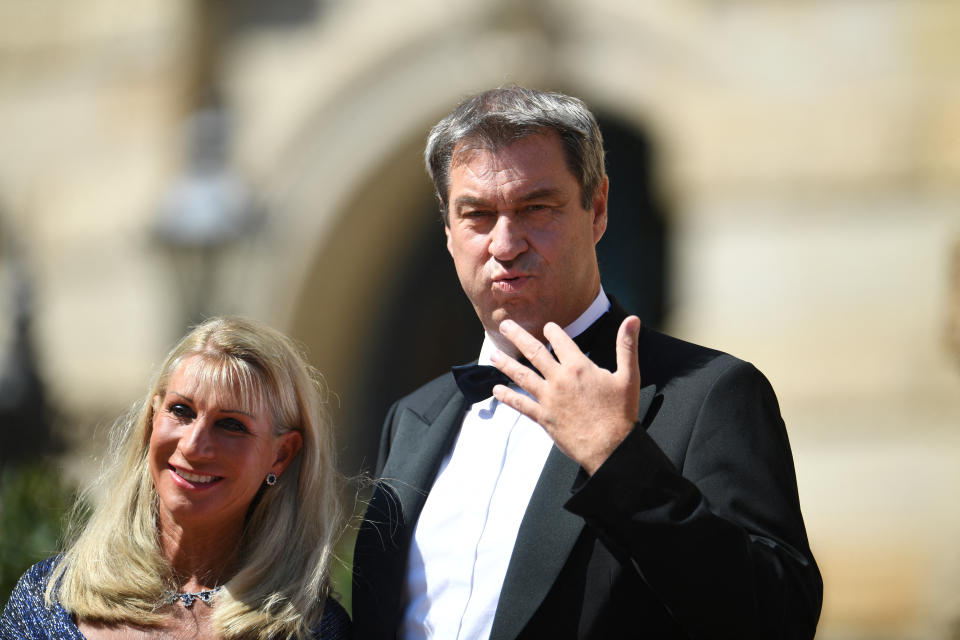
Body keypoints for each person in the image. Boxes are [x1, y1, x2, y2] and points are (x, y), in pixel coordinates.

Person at [352, 86, 822, 639]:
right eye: (477, 214)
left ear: (596, 210)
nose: (505, 243)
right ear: (448, 229)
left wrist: (619, 460)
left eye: (536, 208)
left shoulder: (709, 394)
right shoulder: (413, 417)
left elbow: (776, 620)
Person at [1, 316, 350, 639]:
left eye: (231, 425)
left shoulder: (312, 629)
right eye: (181, 411)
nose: (195, 445)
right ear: (154, 417)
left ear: (281, 454)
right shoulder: (47, 600)